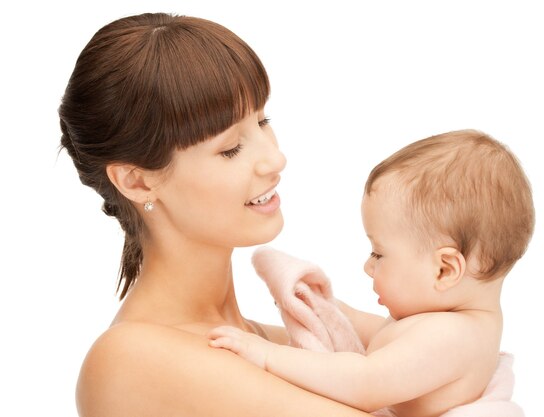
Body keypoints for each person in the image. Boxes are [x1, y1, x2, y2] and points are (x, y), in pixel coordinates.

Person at [59, 12, 375, 417]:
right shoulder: (130, 359)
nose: (274, 159)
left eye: (263, 121)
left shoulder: (270, 339)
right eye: (230, 149)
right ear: (137, 182)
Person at [208, 130, 535, 417]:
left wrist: (267, 356)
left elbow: (365, 384)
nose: (368, 266)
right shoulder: (444, 321)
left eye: (378, 253)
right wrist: (329, 308)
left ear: (445, 269)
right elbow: (386, 334)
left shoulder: (454, 337)